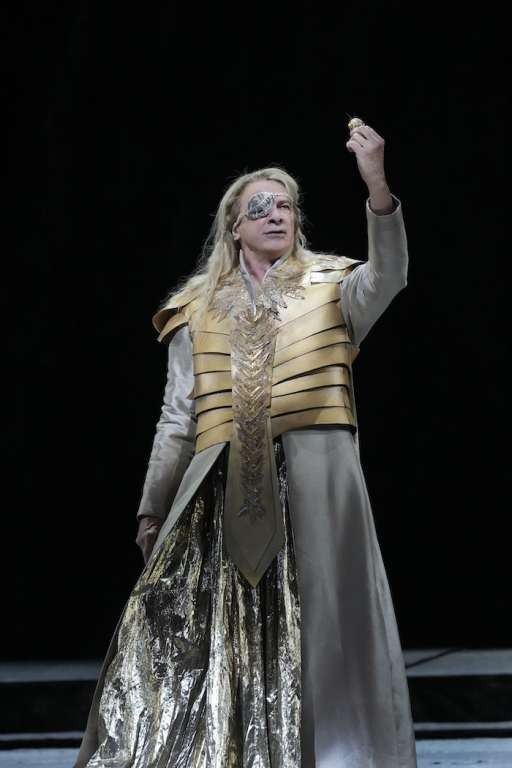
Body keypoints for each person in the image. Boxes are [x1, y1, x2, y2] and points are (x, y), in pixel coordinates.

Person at [75, 119, 418, 768]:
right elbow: (177, 416)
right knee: (201, 624)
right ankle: (224, 749)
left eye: (285, 205)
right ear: (233, 228)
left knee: (320, 625)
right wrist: (152, 507)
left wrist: (376, 185)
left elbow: (391, 274)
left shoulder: (334, 285)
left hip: (315, 485)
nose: (275, 215)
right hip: (218, 490)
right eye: (259, 208)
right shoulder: (195, 308)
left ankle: (327, 753)